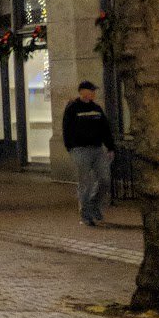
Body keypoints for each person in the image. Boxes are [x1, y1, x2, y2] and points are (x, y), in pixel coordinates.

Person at [62, 80, 116, 226]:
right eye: (90, 90)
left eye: (93, 91)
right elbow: (66, 129)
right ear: (82, 92)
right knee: (85, 182)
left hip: (97, 149)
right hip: (80, 150)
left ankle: (94, 206)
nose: (93, 93)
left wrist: (110, 147)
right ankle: (86, 214)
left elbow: (105, 129)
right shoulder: (73, 108)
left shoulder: (97, 109)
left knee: (105, 179)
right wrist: (71, 147)